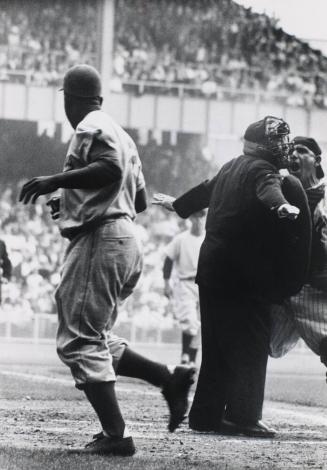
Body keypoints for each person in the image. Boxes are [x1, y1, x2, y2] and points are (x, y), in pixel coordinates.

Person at [19, 64, 194, 457]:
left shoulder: (89, 125)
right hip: (125, 238)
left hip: (102, 237)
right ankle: (166, 379)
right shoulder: (123, 135)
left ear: (69, 98)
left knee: (80, 339)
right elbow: (142, 200)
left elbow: (109, 169)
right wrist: (72, 200)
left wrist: (55, 181)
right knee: (93, 334)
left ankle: (117, 435)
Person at [153, 116, 311, 438]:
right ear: (261, 145)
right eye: (279, 140)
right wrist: (282, 207)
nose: (284, 146)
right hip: (243, 277)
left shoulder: (230, 167)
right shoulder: (261, 170)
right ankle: (244, 416)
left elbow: (205, 191)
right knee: (251, 346)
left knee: (216, 348)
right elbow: (269, 191)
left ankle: (206, 415)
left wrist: (179, 206)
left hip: (211, 272)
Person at [270, 137, 327, 363]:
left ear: (317, 160)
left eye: (302, 151)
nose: (294, 154)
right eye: (291, 150)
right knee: (254, 338)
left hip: (313, 290)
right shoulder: (280, 191)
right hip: (281, 290)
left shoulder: (324, 197)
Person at [163, 210, 206, 366]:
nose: (198, 220)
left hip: (205, 284)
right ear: (191, 218)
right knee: (189, 320)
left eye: (201, 216)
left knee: (202, 324)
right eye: (196, 216)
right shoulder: (181, 239)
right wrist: (166, 282)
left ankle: (191, 360)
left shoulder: (209, 238)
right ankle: (185, 355)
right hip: (186, 283)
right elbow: (168, 259)